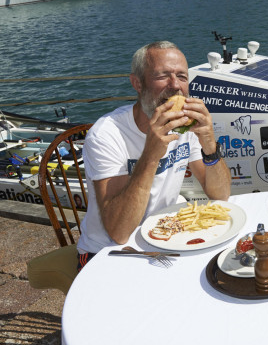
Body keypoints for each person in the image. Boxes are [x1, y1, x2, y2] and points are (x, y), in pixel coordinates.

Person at [76, 41, 231, 270]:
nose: (176, 86)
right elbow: (118, 232)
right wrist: (150, 154)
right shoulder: (106, 135)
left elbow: (220, 194)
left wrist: (209, 145)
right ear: (137, 83)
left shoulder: (184, 128)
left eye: (182, 76)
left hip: (162, 237)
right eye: (163, 76)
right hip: (107, 254)